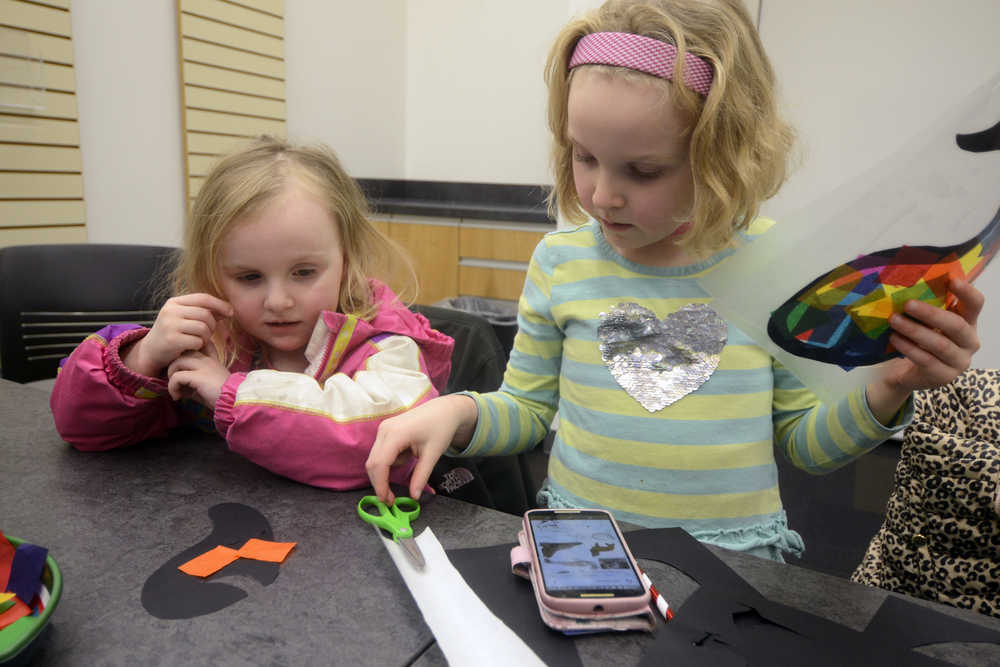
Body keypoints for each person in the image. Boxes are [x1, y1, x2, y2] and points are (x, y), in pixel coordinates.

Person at [365, 0, 984, 561]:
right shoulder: (562, 262)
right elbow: (527, 411)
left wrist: (889, 388)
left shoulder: (775, 265)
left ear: (726, 155)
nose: (602, 195)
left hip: (734, 561)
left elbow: (806, 446)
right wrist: (458, 412)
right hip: (582, 548)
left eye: (644, 169)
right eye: (584, 157)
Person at [51, 137, 454, 491]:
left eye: (304, 273)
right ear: (213, 272)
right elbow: (78, 426)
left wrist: (233, 394)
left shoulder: (385, 343)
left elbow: (382, 439)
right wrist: (141, 359)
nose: (277, 300)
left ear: (347, 262)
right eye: (249, 277)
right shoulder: (213, 338)